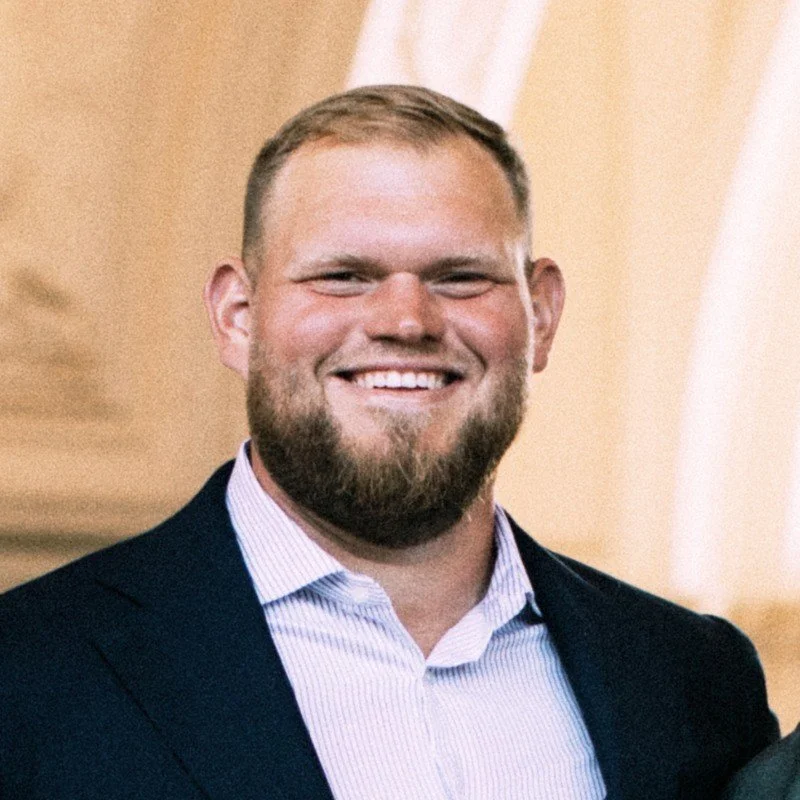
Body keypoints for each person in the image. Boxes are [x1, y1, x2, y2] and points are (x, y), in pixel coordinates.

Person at [0, 85, 778, 799]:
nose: (405, 320)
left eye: (460, 277)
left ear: (541, 314)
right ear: (238, 316)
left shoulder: (693, 681)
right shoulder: (27, 674)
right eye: (342, 275)